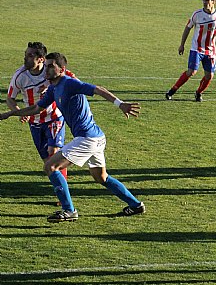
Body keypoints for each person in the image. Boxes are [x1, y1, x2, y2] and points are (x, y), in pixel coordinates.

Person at [0, 52, 145, 222]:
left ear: (62, 69)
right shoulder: (53, 89)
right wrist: (10, 114)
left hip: (87, 139)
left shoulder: (69, 83)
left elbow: (98, 89)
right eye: (45, 65)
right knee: (101, 177)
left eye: (51, 66)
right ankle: (136, 205)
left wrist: (120, 104)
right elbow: (36, 109)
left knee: (50, 166)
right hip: (96, 138)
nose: (46, 69)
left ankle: (69, 210)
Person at [7, 42, 73, 190]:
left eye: (30, 55)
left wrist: (51, 87)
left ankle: (63, 192)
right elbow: (9, 98)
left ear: (41, 59)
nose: (26, 58)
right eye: (26, 54)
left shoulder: (51, 70)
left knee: (54, 153)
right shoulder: (20, 76)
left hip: (54, 117)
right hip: (35, 121)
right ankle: (59, 187)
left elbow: (71, 77)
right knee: (47, 161)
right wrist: (18, 111)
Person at [165, 0, 216, 102]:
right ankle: (172, 90)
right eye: (203, 0)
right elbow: (187, 28)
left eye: (207, 0)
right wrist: (182, 44)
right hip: (196, 48)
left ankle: (198, 93)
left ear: (213, 1)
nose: (204, 2)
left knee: (209, 76)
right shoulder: (197, 14)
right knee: (191, 72)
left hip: (210, 51)